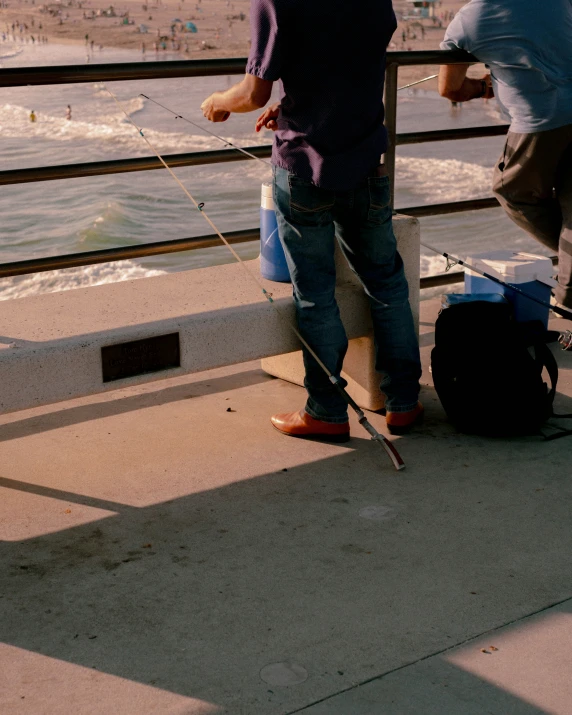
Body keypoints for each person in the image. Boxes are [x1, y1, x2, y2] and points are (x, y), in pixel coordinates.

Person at [201, 0, 423, 440]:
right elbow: (345, 63)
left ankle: (325, 409)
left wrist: (217, 101)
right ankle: (403, 403)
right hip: (366, 161)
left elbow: (252, 93)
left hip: (305, 168)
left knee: (315, 293)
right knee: (387, 283)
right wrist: (294, 105)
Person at [439, 0, 572, 309]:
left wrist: (482, 87)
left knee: (512, 192)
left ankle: (569, 274)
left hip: (540, 122)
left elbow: (450, 89)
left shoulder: (471, 19)